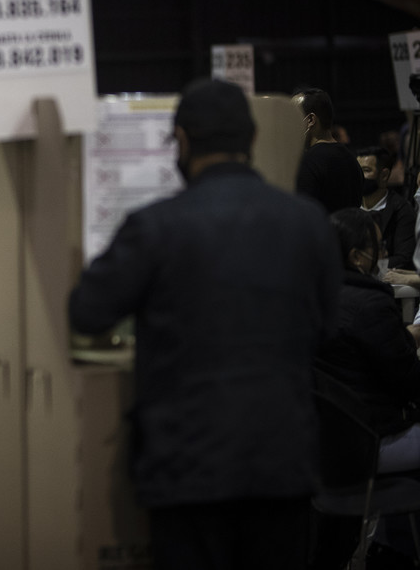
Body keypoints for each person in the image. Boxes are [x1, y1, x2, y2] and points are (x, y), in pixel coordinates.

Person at [69, 79, 341, 570]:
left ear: (184, 142)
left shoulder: (155, 225)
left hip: (188, 464)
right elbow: (327, 327)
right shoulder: (308, 224)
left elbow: (87, 312)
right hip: (284, 459)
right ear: (251, 142)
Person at [318, 208, 420, 474]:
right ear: (357, 257)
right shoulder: (370, 306)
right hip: (370, 440)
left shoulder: (314, 297)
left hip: (324, 440)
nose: (383, 254)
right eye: (378, 247)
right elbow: (409, 382)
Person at [293, 87, 363, 214]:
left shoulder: (308, 162)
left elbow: (303, 214)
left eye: (293, 116)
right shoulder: (352, 159)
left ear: (310, 120)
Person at [358, 146, 416, 270]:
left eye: (366, 170)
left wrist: (367, 266)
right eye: (358, 170)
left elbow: (403, 257)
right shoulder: (349, 205)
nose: (359, 176)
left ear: (384, 175)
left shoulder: (402, 210)